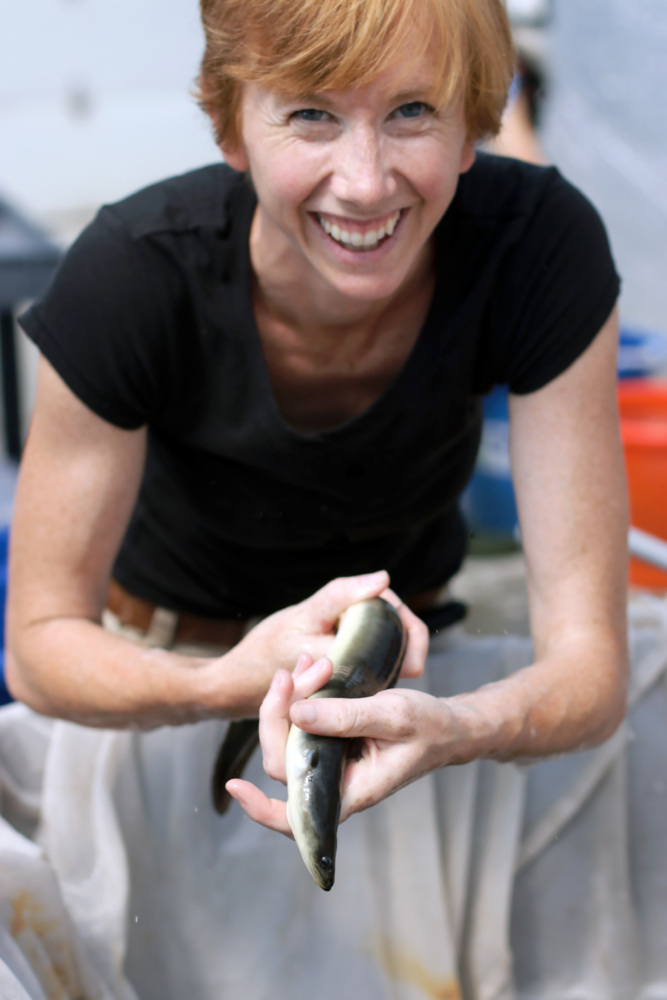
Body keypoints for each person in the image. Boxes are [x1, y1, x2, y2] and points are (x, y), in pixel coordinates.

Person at [7, 0, 627, 849]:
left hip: (412, 684)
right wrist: (224, 684)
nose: (365, 183)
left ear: (473, 123)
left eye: (412, 109)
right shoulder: (130, 276)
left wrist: (458, 727)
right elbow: (38, 650)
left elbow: (590, 668)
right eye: (310, 114)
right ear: (230, 126)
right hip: (159, 678)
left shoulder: (540, 249)